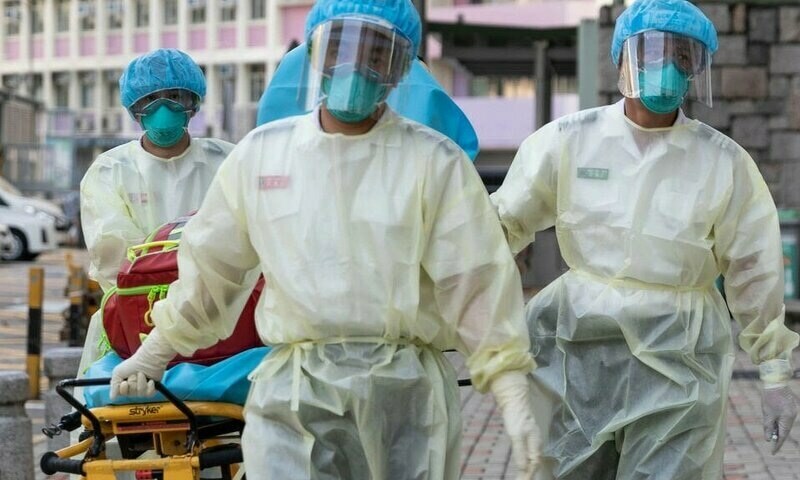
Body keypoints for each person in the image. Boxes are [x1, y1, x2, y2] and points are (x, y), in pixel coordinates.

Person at [108, 0, 541, 478]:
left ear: (400, 69)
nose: (354, 64)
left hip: (406, 399)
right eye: (339, 47)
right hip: (295, 395)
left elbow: (474, 282)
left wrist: (511, 388)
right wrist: (155, 351)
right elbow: (213, 274)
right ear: (314, 53)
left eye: (376, 53)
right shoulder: (262, 156)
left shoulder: (434, 162)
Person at [490, 0, 799, 478]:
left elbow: (755, 268)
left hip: (680, 365)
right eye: (653, 53)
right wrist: (460, 309)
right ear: (622, 60)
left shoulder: (723, 162)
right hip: (576, 353)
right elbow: (500, 226)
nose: (667, 68)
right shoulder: (568, 141)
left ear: (697, 69)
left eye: (682, 58)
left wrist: (775, 371)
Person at [78, 48, 234, 376]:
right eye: (151, 99)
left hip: (222, 321)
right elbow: (116, 262)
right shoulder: (109, 171)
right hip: (133, 320)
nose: (164, 108)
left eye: (175, 96)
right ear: (135, 109)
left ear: (194, 103)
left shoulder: (228, 162)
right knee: (116, 416)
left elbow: (242, 247)